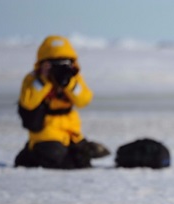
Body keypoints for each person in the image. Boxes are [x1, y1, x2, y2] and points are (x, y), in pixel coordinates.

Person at [14, 35, 109, 169]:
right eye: (54, 64)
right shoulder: (33, 79)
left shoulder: (73, 78)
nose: (60, 69)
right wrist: (44, 81)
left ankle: (36, 152)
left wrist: (69, 84)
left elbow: (84, 100)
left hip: (70, 131)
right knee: (58, 159)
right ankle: (30, 155)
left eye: (65, 63)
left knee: (82, 159)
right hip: (46, 131)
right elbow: (28, 103)